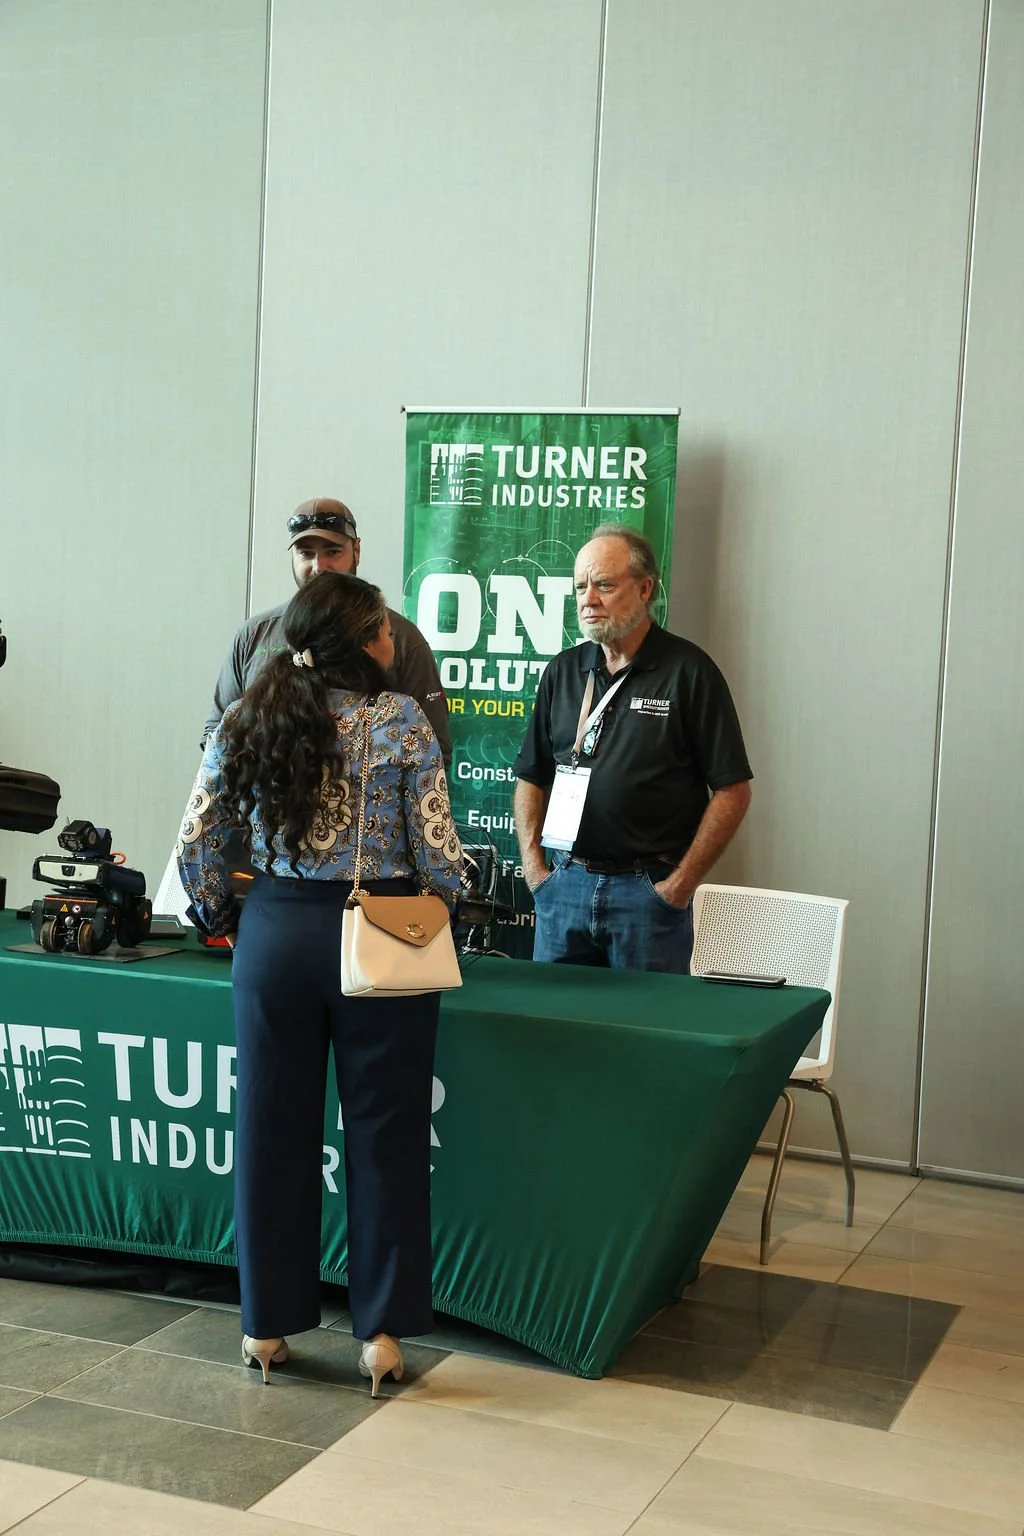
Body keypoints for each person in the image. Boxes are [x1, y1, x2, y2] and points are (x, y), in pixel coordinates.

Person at [177, 571, 463, 1394]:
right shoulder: (402, 722)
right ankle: (380, 1335)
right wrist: (438, 903)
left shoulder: (250, 716)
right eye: (381, 631)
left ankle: (266, 1326)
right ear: (360, 642)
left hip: (276, 936)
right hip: (384, 935)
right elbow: (439, 853)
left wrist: (219, 915)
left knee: (271, 1130)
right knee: (388, 1137)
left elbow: (198, 843)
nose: (390, 642)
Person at [512, 523, 752, 973]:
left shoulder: (689, 672)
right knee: (555, 1034)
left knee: (643, 1037)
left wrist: (678, 887)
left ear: (645, 588)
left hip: (646, 895)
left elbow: (733, 790)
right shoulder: (563, 671)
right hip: (565, 886)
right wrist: (535, 871)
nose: (588, 599)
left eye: (604, 584)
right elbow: (531, 776)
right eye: (580, 586)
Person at [202, 498, 452, 765]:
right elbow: (215, 739)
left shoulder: (402, 639)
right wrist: (269, 782)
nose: (319, 566)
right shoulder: (254, 636)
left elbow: (435, 752)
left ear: (356, 550)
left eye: (332, 552)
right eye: (305, 553)